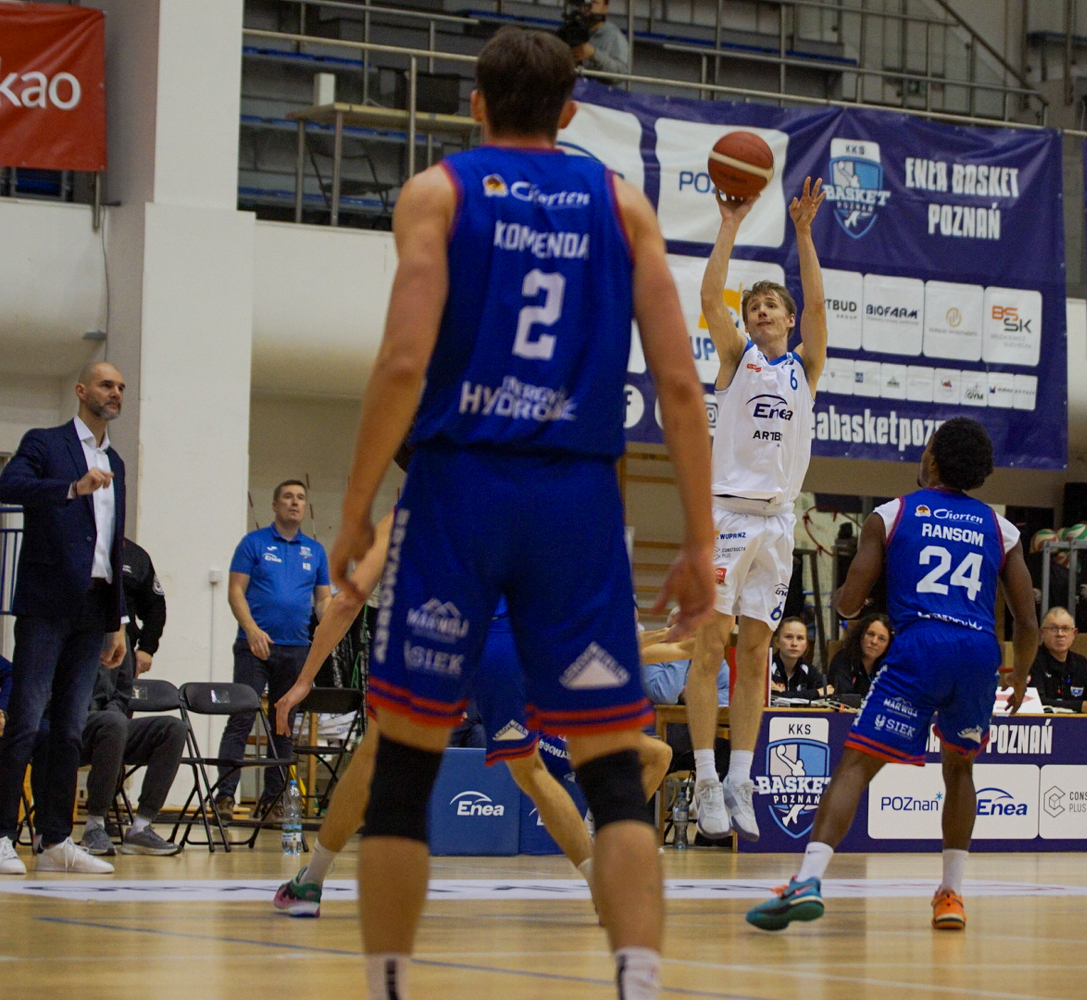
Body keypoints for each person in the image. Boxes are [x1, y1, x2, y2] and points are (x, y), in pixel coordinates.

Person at [324, 28, 713, 1000]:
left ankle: (387, 984)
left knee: (405, 767)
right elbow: (677, 383)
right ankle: (637, 982)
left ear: (475, 103)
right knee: (613, 774)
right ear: (570, 113)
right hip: (575, 498)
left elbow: (403, 361)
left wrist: (357, 507)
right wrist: (700, 537)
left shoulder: (438, 192)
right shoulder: (622, 205)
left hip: (457, 489)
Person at [271, 508, 675, 919]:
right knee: (529, 770)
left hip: (433, 636)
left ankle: (311, 881)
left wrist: (305, 679)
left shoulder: (409, 512)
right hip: (503, 643)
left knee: (374, 757)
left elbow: (346, 602)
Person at [746, 418, 1038, 933]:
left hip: (921, 644)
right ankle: (951, 895)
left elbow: (849, 604)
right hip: (979, 651)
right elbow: (1028, 621)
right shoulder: (1002, 528)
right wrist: (1021, 675)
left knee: (856, 766)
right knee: (961, 771)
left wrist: (845, 598)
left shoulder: (892, 514)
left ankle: (808, 880)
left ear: (934, 460)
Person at [685, 175, 827, 843]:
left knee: (756, 652)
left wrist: (803, 232)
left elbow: (818, 305)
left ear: (790, 320)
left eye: (773, 304)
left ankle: (740, 775)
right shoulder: (737, 359)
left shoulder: (806, 368)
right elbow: (710, 297)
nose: (763, 310)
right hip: (728, 518)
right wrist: (730, 224)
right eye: (756, 305)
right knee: (710, 647)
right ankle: (704, 779)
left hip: (777, 523)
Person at [0, 361, 129, 877]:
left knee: (71, 729)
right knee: (26, 720)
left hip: (94, 607)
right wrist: (72, 487)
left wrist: (117, 619)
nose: (115, 392)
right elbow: (9, 485)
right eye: (106, 385)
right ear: (81, 390)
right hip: (46, 603)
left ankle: (54, 839)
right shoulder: (45, 442)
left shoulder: (115, 460)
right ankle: (2, 834)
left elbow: (111, 544)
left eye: (121, 387)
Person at [213, 480, 330, 817]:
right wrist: (251, 630)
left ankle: (273, 801)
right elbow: (236, 591)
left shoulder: (315, 551)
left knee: (283, 723)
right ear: (275, 505)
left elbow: (323, 600)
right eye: (288, 497)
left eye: (301, 498)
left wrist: (330, 629)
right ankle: (224, 797)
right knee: (241, 718)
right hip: (255, 647)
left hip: (296, 649)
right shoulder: (254, 543)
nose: (295, 502)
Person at [65, 537, 183, 856]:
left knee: (173, 728)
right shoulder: (63, 635)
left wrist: (145, 647)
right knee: (113, 723)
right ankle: (94, 827)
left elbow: (122, 693)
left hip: (107, 729)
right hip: (70, 730)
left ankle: (141, 827)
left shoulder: (121, 640)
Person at [1028, 607, 1087, 714]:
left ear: (1074, 634)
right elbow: (1036, 702)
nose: (1060, 634)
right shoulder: (1032, 660)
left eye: (1065, 629)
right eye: (1053, 629)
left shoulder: (1081, 663)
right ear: (1042, 633)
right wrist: (1081, 706)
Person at [826, 613, 891, 698]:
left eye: (881, 639)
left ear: (887, 646)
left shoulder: (887, 666)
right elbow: (846, 697)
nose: (874, 641)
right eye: (870, 634)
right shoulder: (843, 659)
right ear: (861, 636)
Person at [770, 616, 828, 699]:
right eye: (789, 637)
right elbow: (772, 696)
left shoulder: (808, 669)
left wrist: (783, 693)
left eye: (800, 638)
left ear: (806, 644)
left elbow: (828, 692)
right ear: (777, 641)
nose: (794, 643)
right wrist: (816, 693)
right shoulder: (766, 667)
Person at [568, 0, 629, 76]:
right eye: (586, 2)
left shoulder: (614, 36)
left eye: (594, 2)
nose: (589, 6)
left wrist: (593, 54)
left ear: (605, 8)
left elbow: (621, 72)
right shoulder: (573, 30)